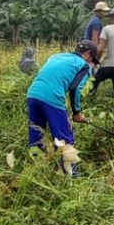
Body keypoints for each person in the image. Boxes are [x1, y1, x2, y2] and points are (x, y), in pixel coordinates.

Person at [26, 39, 99, 176]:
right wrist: (77, 113)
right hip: (52, 97)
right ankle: (71, 176)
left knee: (36, 134)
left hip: (33, 94)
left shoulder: (56, 56)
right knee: (64, 137)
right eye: (92, 60)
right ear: (88, 54)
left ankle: (37, 171)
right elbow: (76, 89)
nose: (91, 63)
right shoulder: (84, 65)